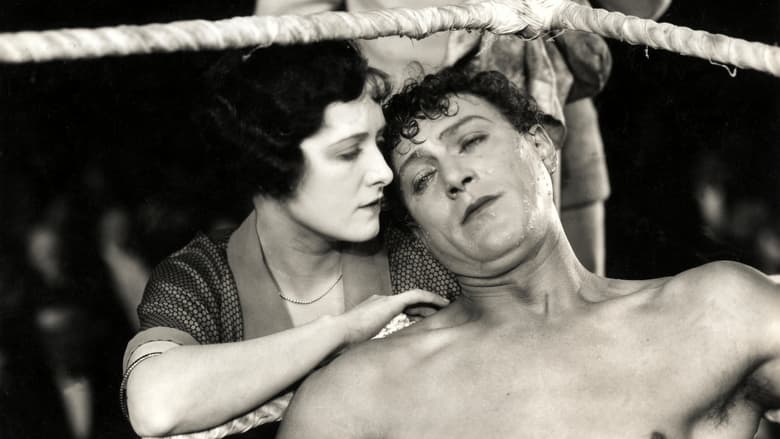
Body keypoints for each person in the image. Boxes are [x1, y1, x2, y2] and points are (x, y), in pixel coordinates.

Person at [277, 67, 780, 438]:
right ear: (414, 228)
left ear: (541, 145)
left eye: (471, 140)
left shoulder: (714, 310)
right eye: (423, 178)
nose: (455, 176)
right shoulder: (359, 394)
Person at [121, 41, 454, 438]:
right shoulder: (200, 277)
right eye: (348, 153)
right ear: (269, 164)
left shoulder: (420, 252)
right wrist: (342, 330)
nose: (382, 172)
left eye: (378, 143)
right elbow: (155, 406)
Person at [255, 0, 672, 276]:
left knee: (574, 298)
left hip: (546, 102)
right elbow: (283, 34)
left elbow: (638, 9)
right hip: (397, 115)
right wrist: (354, 107)